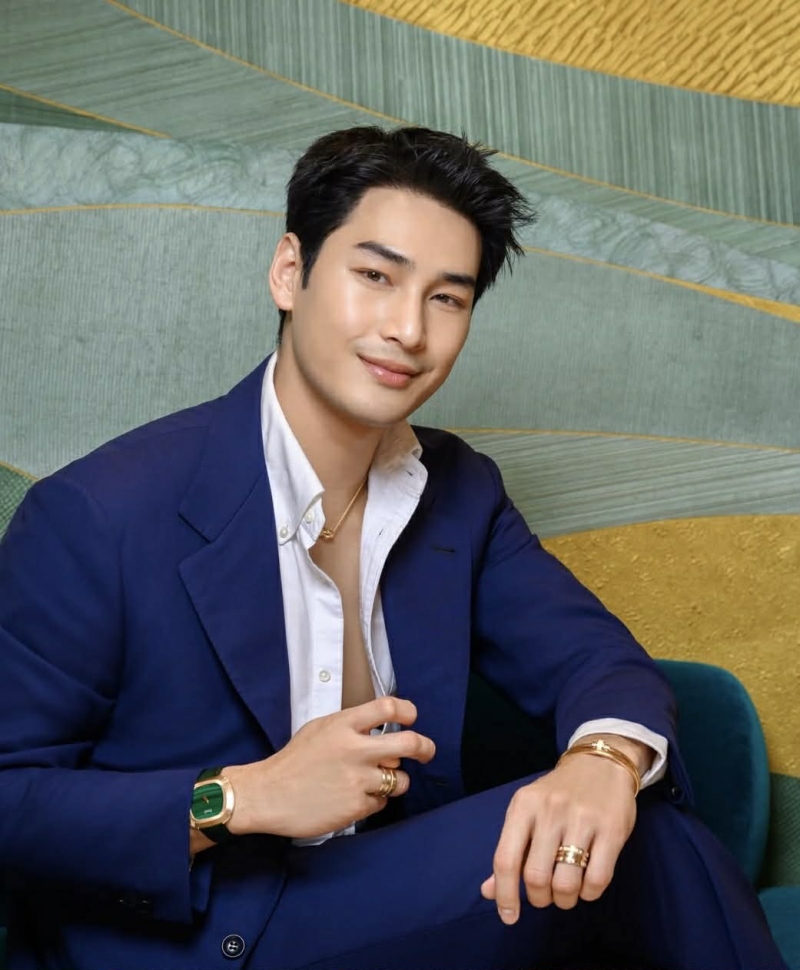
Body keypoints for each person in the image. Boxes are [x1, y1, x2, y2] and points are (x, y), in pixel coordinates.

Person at [0, 126, 787, 970]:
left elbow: (596, 658)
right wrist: (242, 797)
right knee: (641, 851)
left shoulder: (458, 493)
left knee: (634, 829)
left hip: (370, 900)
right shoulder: (99, 513)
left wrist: (603, 760)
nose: (409, 329)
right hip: (192, 934)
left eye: (447, 299)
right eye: (376, 277)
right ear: (290, 272)